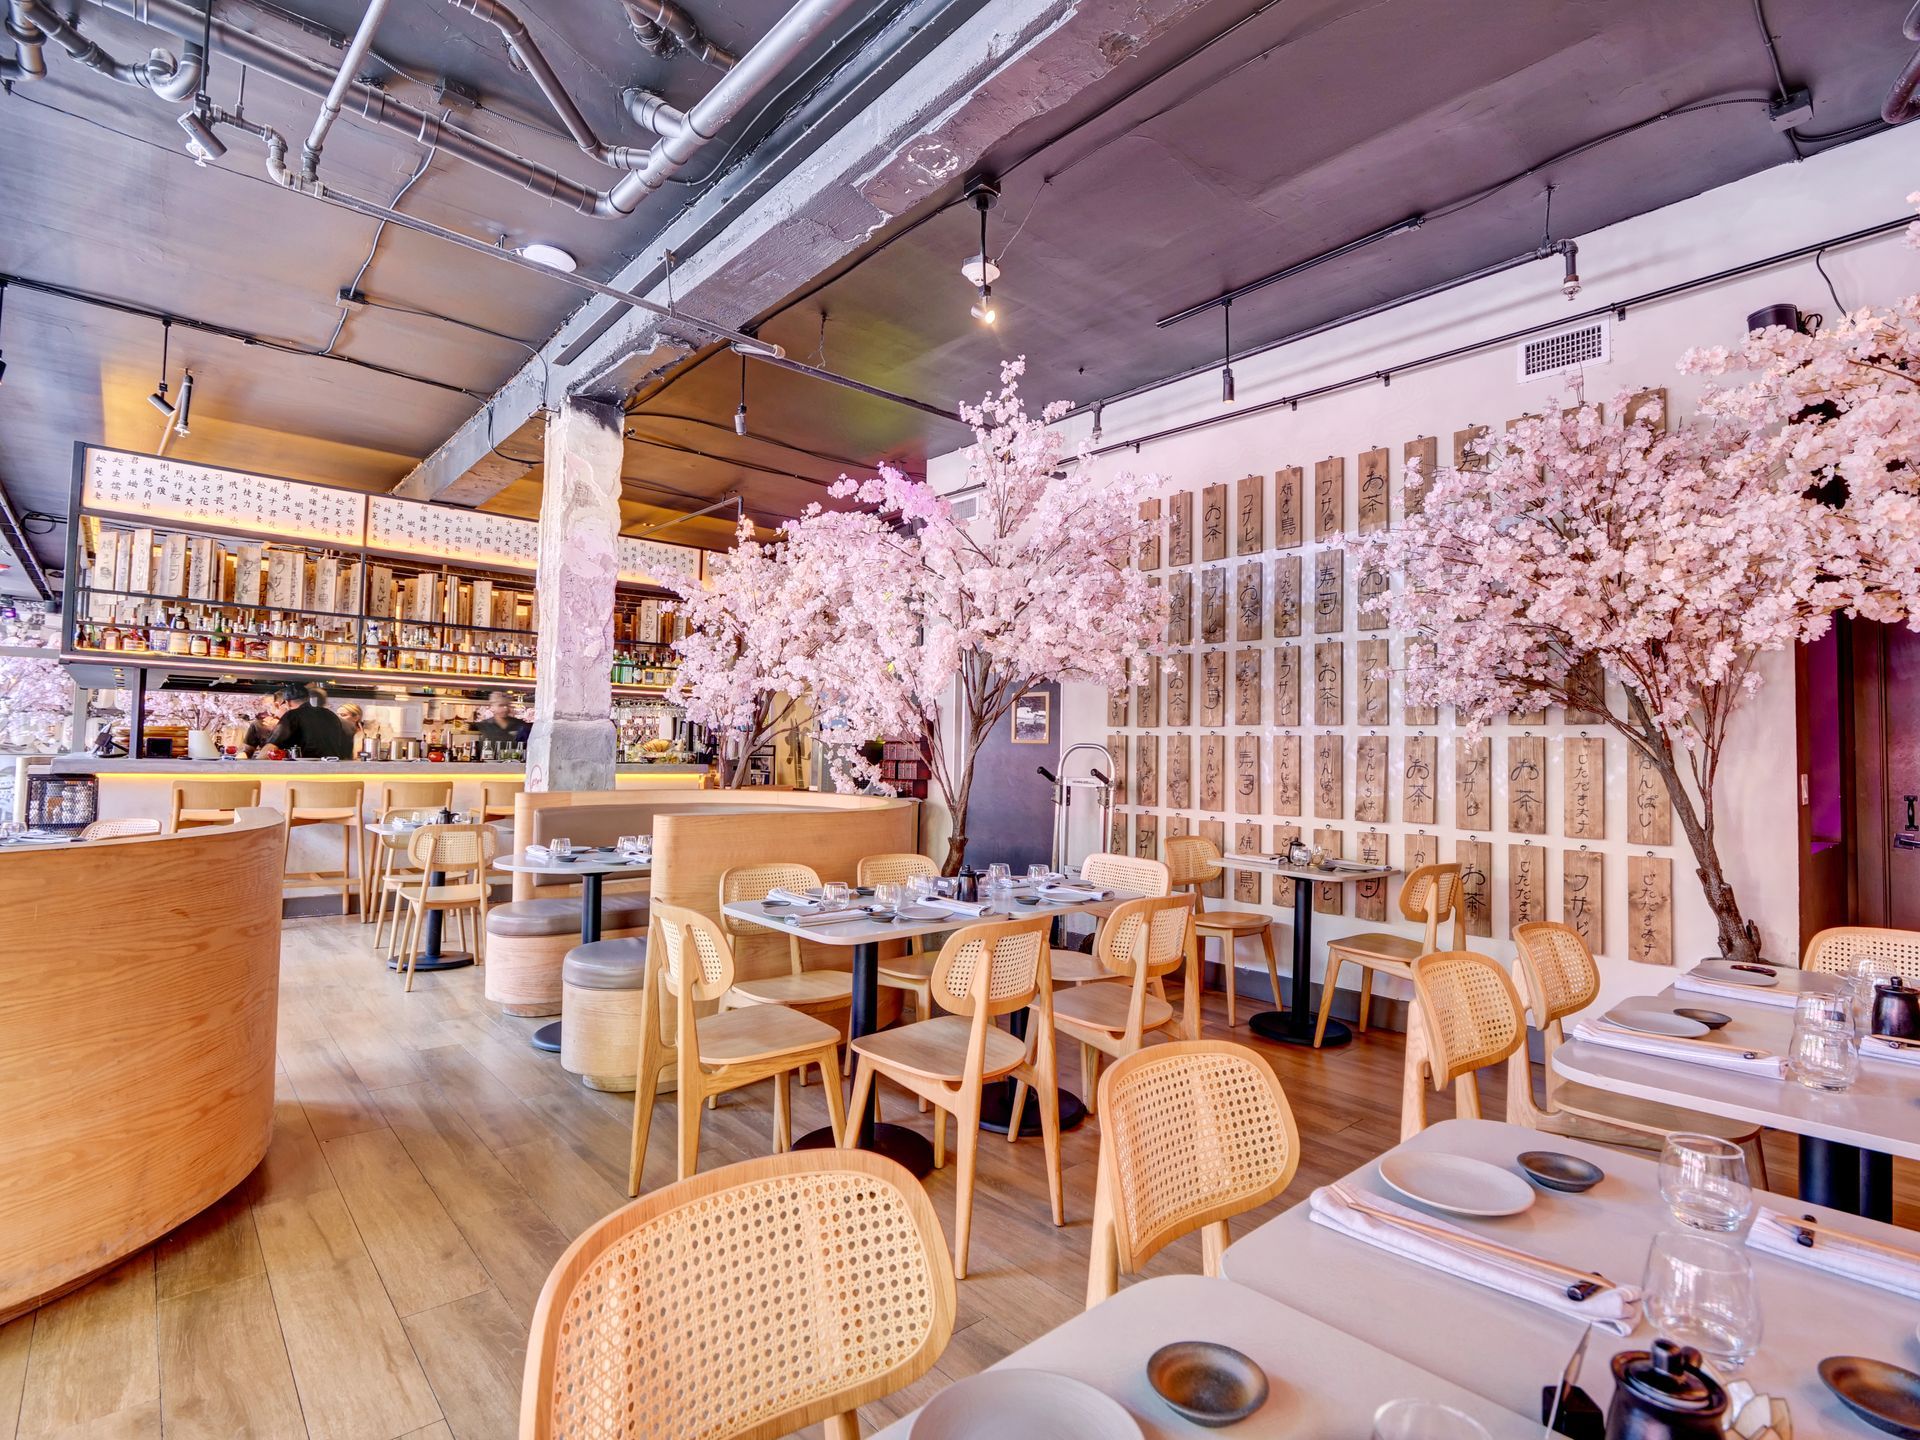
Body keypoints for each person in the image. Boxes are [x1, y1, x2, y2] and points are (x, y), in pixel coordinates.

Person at [267, 683, 354, 759]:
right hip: (333, 769)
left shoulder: (293, 715)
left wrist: (257, 762)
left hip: (305, 769)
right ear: (308, 699)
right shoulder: (330, 715)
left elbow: (271, 747)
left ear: (288, 703)